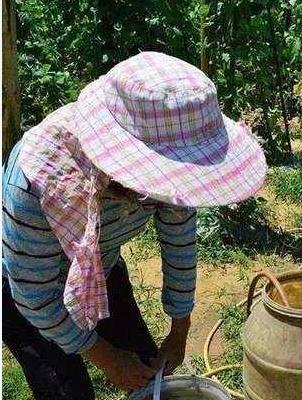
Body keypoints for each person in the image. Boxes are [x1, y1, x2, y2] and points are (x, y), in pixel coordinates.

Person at [2, 52, 266, 399]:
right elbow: (34, 298)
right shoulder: (37, 182)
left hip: (101, 268)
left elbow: (179, 239)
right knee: (69, 390)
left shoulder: (168, 177)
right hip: (24, 290)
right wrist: (107, 358)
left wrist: (180, 327)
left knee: (146, 366)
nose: (171, 192)